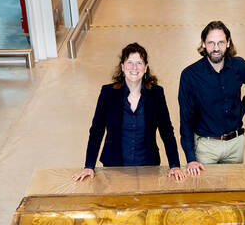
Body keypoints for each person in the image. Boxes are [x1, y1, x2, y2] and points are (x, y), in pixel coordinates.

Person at [74, 43, 185, 181]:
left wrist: (174, 164)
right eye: (130, 63)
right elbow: (96, 131)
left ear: (145, 68)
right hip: (114, 169)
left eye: (139, 63)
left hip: (148, 168)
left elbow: (167, 131)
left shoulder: (156, 94)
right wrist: (89, 166)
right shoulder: (108, 93)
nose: (134, 68)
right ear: (122, 66)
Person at [178, 21, 245, 175]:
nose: (216, 48)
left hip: (235, 144)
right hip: (206, 147)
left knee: (234, 194)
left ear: (228, 43)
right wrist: (191, 158)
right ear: (203, 44)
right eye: (211, 43)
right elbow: (186, 120)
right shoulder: (190, 75)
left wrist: (240, 110)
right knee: (207, 195)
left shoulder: (239, 66)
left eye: (220, 43)